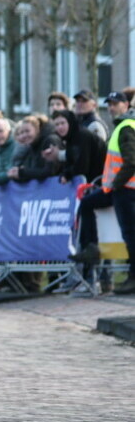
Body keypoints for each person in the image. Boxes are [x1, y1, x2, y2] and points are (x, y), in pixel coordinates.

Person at [70, 90, 135, 294]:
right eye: (109, 104)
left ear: (126, 106)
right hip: (117, 188)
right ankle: (91, 248)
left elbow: (131, 161)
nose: (111, 108)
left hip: (127, 189)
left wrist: (116, 184)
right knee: (87, 203)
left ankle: (133, 277)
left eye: (115, 104)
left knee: (131, 234)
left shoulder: (126, 127)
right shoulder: (121, 126)